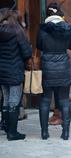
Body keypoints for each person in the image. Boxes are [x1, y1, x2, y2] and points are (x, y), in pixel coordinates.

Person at [36, 2, 71, 140]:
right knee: (64, 100)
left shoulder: (43, 30)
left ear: (47, 14)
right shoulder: (68, 29)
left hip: (48, 67)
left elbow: (39, 46)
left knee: (45, 100)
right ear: (59, 13)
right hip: (63, 66)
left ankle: (44, 133)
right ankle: (65, 133)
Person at [0, 8, 32, 141]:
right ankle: (12, 133)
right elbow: (27, 53)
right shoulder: (17, 32)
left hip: (2, 72)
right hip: (14, 71)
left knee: (6, 100)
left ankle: (6, 127)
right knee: (13, 100)